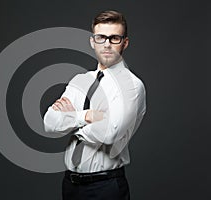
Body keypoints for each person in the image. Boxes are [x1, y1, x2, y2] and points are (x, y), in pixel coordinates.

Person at [43, 10, 146, 200]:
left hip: (106, 187)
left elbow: (109, 134)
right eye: (101, 37)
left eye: (114, 38)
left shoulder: (131, 85)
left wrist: (71, 120)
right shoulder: (79, 80)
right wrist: (86, 116)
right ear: (92, 42)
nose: (106, 44)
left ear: (125, 42)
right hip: (71, 186)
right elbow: (49, 123)